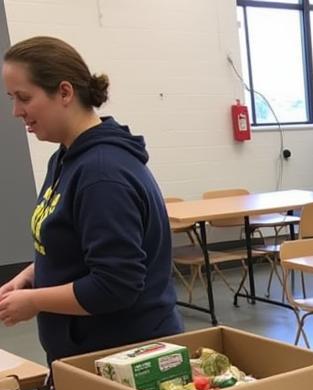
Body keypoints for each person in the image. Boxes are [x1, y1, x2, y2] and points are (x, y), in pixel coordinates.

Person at [0, 36, 181, 363]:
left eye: (24, 97)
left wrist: (35, 301)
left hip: (125, 357)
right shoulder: (66, 158)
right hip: (89, 352)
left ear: (65, 92)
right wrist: (31, 274)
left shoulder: (101, 175)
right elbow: (74, 246)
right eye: (12, 98)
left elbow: (116, 285)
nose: (16, 111)